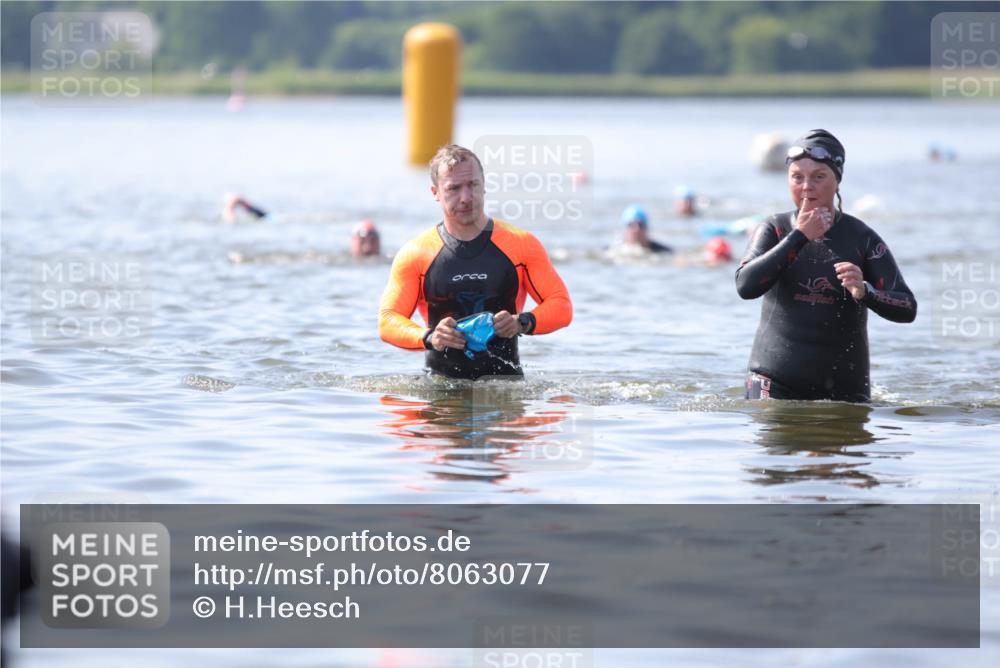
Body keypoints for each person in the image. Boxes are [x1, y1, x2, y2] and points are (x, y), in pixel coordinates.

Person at [735, 129, 916, 402]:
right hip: (773, 381)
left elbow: (908, 308)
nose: (807, 186)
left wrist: (866, 292)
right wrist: (799, 237)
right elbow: (745, 286)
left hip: (844, 388)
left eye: (818, 177)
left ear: (837, 181)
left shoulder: (861, 239)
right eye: (797, 177)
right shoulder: (775, 229)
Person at [379, 144, 572, 380]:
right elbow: (388, 320)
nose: (466, 197)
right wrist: (430, 337)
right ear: (436, 192)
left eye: (472, 185)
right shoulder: (417, 253)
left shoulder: (521, 244)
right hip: (440, 390)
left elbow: (561, 305)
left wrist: (522, 322)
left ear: (484, 185)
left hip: (505, 386)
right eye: (454, 188)